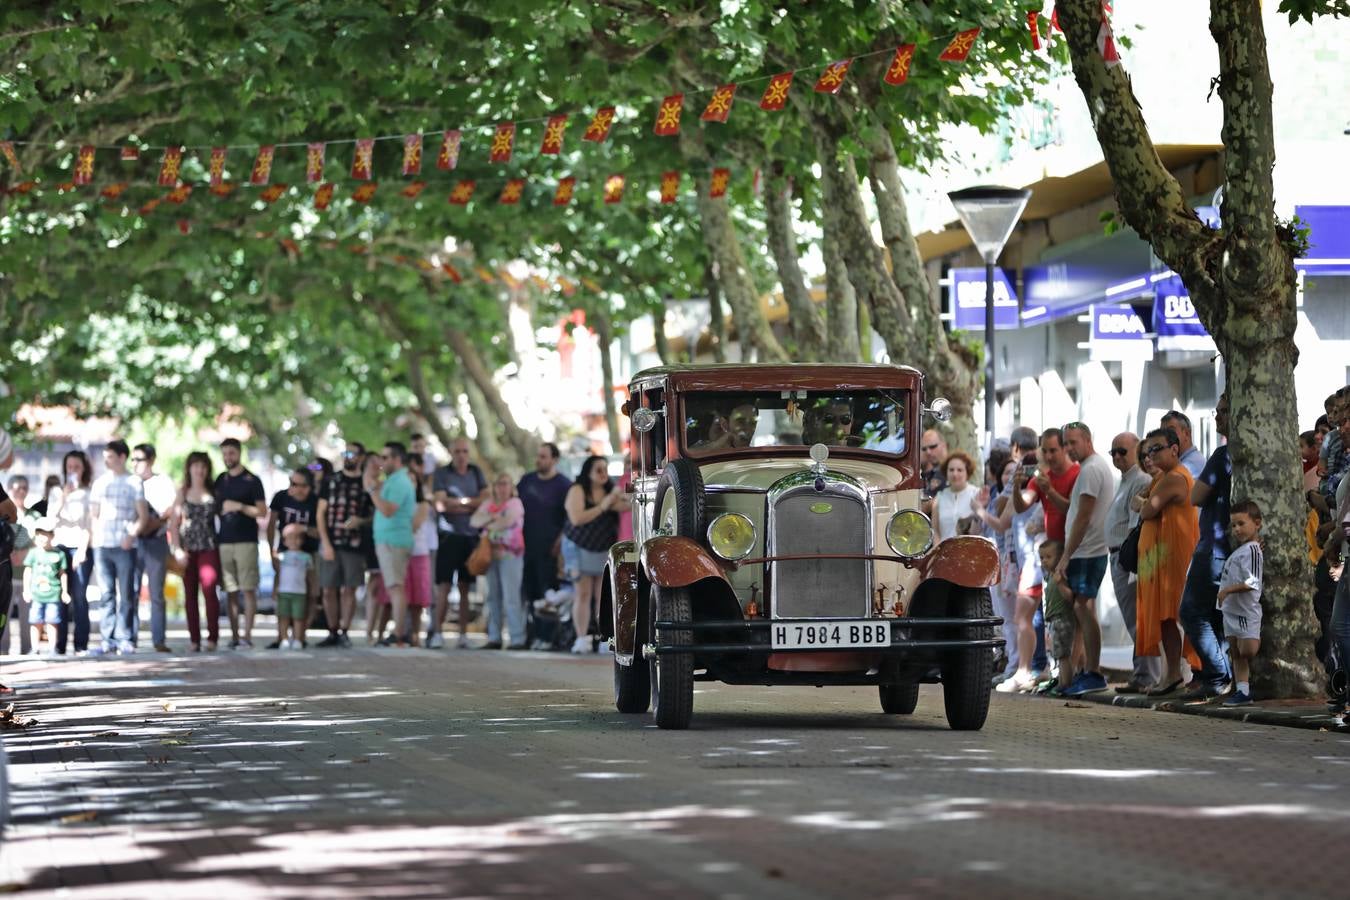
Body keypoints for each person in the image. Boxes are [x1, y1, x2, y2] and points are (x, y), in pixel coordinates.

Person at [1135, 427, 1202, 696]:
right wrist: (1144, 503)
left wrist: (1143, 503)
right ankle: (1171, 674)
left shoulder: (1174, 477)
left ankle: (1196, 671)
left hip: (1174, 556)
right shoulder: (1162, 477)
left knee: (1178, 615)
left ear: (1175, 449)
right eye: (1148, 450)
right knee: (1165, 618)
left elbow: (1146, 509)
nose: (1150, 455)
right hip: (1160, 559)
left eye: (1156, 448)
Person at [1054, 423, 1115, 696]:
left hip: (1088, 551)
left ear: (1088, 440)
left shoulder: (1091, 469)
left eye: (1072, 442)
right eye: (1066, 443)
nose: (1069, 448)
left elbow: (1083, 516)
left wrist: (1065, 556)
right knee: (1082, 609)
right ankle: (1086, 670)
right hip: (1086, 550)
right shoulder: (1090, 468)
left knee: (1082, 608)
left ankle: (1093, 671)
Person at [1180, 392, 1234, 699]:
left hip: (1213, 546)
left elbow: (1196, 496)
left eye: (1224, 411)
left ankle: (1216, 674)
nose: (1217, 416)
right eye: (1216, 410)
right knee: (1215, 615)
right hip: (1227, 546)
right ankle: (1222, 674)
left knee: (1191, 611)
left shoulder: (1222, 454)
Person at [1105, 432, 1161, 693]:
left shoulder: (1139, 479)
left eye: (1122, 452)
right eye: (1113, 452)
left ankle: (1146, 675)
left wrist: (1128, 561)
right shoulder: (1127, 480)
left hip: (1129, 557)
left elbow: (1133, 525)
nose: (1117, 456)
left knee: (1138, 619)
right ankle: (1143, 673)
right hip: (1121, 555)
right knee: (1135, 619)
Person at [89, 440, 149, 655]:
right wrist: (94, 539)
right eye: (105, 456)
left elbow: (143, 516)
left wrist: (131, 535)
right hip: (102, 546)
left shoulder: (134, 482)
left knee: (127, 593)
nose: (107, 460)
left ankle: (126, 638)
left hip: (124, 546)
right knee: (105, 594)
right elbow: (93, 516)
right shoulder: (99, 483)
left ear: (122, 457)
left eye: (111, 456)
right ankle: (107, 639)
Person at [563, 455, 625, 654]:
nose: (603, 473)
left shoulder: (609, 492)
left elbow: (625, 504)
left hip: (602, 547)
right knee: (582, 593)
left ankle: (603, 638)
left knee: (603, 596)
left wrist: (617, 497)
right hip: (578, 546)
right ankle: (581, 638)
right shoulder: (577, 490)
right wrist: (602, 506)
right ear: (588, 471)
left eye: (605, 469)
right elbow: (576, 518)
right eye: (598, 469)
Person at [431, 438, 488, 649]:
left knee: (466, 588)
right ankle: (437, 632)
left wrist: (457, 503)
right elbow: (440, 505)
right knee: (443, 587)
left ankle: (463, 635)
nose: (461, 455)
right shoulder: (442, 474)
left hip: (470, 537)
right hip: (448, 537)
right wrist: (470, 504)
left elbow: (484, 502)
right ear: (451, 453)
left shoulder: (476, 472)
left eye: (465, 451)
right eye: (457, 451)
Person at [316, 442, 374, 648]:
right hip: (331, 542)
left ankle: (344, 632)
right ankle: (332, 631)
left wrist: (360, 521)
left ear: (361, 457)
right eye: (345, 453)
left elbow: (372, 515)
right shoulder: (331, 481)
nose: (347, 456)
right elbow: (320, 513)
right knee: (328, 589)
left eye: (352, 453)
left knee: (349, 590)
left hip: (355, 545)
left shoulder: (367, 483)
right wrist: (325, 542)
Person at [517, 443, 572, 649]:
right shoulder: (526, 481)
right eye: (538, 456)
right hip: (525, 547)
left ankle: (548, 637)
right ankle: (535, 635)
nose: (538, 460)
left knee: (547, 594)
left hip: (550, 550)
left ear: (554, 459)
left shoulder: (564, 485)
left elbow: (569, 519)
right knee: (531, 593)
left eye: (543, 456)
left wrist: (560, 542)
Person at [214, 438, 267, 649]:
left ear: (239, 453)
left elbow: (262, 512)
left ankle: (247, 636)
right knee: (230, 591)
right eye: (225, 453)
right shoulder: (220, 480)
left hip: (247, 541)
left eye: (232, 453)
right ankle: (235, 636)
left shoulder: (252, 480)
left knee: (248, 589)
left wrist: (240, 507)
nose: (228, 457)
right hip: (224, 541)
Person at [169, 451, 221, 652]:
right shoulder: (182, 492)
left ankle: (213, 638)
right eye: (195, 466)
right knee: (190, 595)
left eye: (203, 466)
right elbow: (173, 525)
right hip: (188, 549)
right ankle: (194, 639)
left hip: (209, 547)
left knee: (210, 591)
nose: (199, 470)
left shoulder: (214, 492)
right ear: (189, 468)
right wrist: (177, 550)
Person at [471, 473, 527, 650]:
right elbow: (474, 521)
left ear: (511, 487)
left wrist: (488, 521)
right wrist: (493, 518)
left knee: (511, 597)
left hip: (511, 556)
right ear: (494, 486)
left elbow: (507, 521)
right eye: (499, 484)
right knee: (493, 596)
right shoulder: (488, 504)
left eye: (506, 484)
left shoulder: (515, 504)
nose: (502, 488)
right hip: (490, 555)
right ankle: (494, 637)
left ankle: (517, 638)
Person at [368, 441, 417, 647]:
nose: (382, 461)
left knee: (396, 587)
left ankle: (398, 634)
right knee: (394, 587)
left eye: (386, 457)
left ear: (397, 460)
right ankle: (398, 632)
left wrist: (372, 491)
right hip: (389, 541)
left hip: (394, 542)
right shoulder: (393, 480)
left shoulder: (399, 482)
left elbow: (388, 509)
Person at [130, 444, 177, 653]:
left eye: (139, 459)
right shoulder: (129, 483)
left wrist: (155, 522)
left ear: (151, 460)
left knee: (157, 593)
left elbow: (171, 508)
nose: (135, 464)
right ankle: (129, 639)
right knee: (131, 590)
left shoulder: (162, 482)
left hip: (157, 539)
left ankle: (159, 640)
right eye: (133, 459)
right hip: (134, 541)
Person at [266, 467, 320, 649]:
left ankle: (300, 636)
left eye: (301, 485)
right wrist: (271, 549)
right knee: (282, 595)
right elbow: (271, 523)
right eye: (293, 484)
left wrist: (300, 529)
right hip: (284, 554)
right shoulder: (280, 497)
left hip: (309, 554)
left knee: (310, 596)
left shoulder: (315, 501)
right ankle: (281, 636)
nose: (296, 488)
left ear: (309, 486)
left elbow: (321, 531)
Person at [1217, 500, 1264, 707]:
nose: (1237, 529)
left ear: (1257, 523)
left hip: (1245, 611)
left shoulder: (1253, 550)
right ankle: (1243, 691)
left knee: (1247, 650)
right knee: (1236, 652)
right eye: (1234, 525)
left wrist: (1228, 590)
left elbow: (1253, 581)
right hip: (1230, 610)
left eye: (1241, 524)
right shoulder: (1241, 550)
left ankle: (1245, 689)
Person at [51, 450, 94, 655]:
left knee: (79, 595)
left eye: (77, 467)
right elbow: (50, 520)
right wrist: (63, 497)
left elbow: (89, 524)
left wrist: (82, 550)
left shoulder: (89, 493)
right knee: (59, 595)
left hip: (80, 547)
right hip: (59, 548)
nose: (73, 471)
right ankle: (58, 644)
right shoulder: (56, 492)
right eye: (69, 467)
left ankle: (81, 643)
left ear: (83, 468)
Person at [1012, 428, 1079, 543]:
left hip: (1074, 547)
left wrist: (1049, 491)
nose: (1048, 456)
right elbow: (1020, 507)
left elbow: (1073, 510)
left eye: (1053, 451)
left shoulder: (1078, 473)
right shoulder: (1040, 478)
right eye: (1044, 451)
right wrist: (1016, 487)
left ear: (1064, 449)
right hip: (1051, 548)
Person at [1036, 541, 1076, 697]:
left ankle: (1066, 684)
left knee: (1063, 654)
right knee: (1059, 654)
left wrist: (1060, 583)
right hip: (1055, 620)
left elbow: (1069, 596)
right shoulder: (1050, 575)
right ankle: (1062, 681)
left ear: (1059, 557)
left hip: (1063, 619)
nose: (1044, 561)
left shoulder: (1061, 574)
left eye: (1048, 557)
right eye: (1041, 558)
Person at [22, 518, 66, 655]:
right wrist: (26, 590)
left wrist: (64, 592)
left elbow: (63, 574)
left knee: (52, 621)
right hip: (36, 595)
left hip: (53, 594)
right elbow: (27, 572)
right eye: (40, 534)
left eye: (46, 534)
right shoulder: (33, 553)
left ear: (52, 535)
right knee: (35, 621)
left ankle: (52, 648)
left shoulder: (59, 554)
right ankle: (35, 648)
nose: (43, 537)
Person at [405, 457, 436, 645]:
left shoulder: (423, 504)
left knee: (418, 599)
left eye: (413, 480)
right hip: (400, 554)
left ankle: (416, 634)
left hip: (419, 552)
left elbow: (414, 526)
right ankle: (403, 632)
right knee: (402, 597)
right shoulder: (395, 505)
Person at [273, 523, 313, 650]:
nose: (294, 540)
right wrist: (275, 588)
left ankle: (298, 639)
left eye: (297, 537)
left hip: (300, 592)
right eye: (289, 537)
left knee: (299, 617)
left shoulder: (307, 557)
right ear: (284, 541)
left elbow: (310, 575)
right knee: (283, 616)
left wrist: (313, 589)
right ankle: (284, 639)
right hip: (283, 591)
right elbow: (278, 574)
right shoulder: (281, 557)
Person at [932, 450, 978, 542]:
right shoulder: (940, 497)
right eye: (951, 470)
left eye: (959, 470)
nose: (955, 474)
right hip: (944, 553)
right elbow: (935, 532)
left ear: (967, 473)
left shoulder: (976, 494)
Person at [1160, 409, 1205, 478]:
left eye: (1170, 431)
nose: (1165, 437)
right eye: (1162, 433)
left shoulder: (1192, 464)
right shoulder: (1181, 461)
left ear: (1186, 434)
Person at [919, 429, 948, 500]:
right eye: (924, 449)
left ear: (944, 445)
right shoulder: (930, 473)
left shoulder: (953, 468)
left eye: (933, 447)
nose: (928, 452)